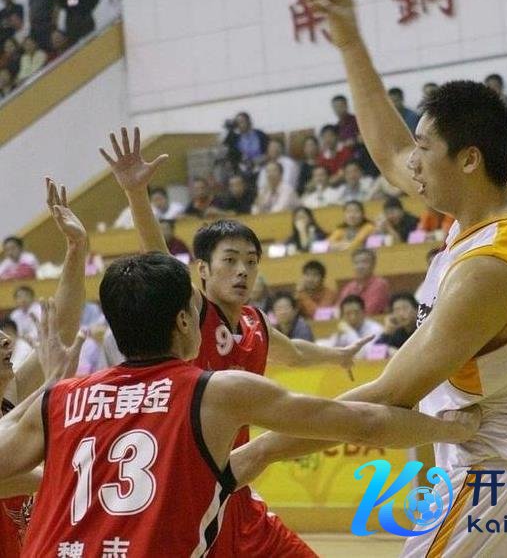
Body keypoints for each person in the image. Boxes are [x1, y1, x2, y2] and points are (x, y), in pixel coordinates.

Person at [233, 0, 507, 558]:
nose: (412, 161)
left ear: (468, 160)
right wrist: (349, 41)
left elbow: (387, 398)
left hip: (505, 496)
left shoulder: (488, 273)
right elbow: (390, 153)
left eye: (425, 148)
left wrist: (262, 449)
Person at [3, 251, 476, 558]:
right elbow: (365, 424)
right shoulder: (217, 391)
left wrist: (50, 399)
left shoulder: (58, 398)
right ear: (185, 321)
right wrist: (452, 429)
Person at [100, 127, 402, 558]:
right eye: (230, 260)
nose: (243, 271)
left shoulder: (255, 321)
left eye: (251, 262)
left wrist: (338, 355)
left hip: (237, 488)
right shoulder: (195, 311)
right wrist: (136, 193)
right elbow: (158, 255)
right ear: (203, 270)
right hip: (191, 489)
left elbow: (293, 352)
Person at [0, 178, 87, 557]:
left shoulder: (11, 391)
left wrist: (76, 249)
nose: (6, 341)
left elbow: (63, 327)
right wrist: (60, 474)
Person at [337, 248, 391, 315]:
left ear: (373, 265)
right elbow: (339, 309)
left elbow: (371, 311)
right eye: (356, 263)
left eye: (364, 262)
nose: (360, 266)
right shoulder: (349, 287)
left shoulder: (380, 284)